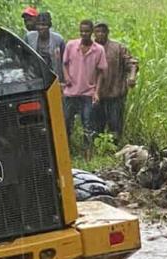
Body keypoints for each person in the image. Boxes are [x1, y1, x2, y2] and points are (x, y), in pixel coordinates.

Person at [63, 20, 108, 160]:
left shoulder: (98, 49)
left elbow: (101, 72)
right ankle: (66, 151)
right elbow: (64, 64)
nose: (84, 34)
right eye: (81, 31)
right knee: (66, 122)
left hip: (87, 93)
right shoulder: (71, 45)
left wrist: (97, 92)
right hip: (70, 92)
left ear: (92, 32)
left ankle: (87, 154)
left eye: (87, 31)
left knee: (87, 124)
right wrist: (67, 77)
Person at [93, 22, 138, 143]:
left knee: (115, 125)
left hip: (115, 93)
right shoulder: (90, 48)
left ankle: (114, 149)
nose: (100, 34)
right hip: (97, 94)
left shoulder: (118, 48)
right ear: (94, 33)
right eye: (98, 31)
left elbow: (132, 63)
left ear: (107, 32)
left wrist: (132, 77)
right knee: (97, 126)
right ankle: (99, 150)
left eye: (103, 31)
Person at [25, 13, 65, 82]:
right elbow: (25, 57)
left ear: (49, 26)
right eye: (38, 24)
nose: (40, 27)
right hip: (35, 77)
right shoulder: (29, 37)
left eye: (43, 25)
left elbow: (64, 61)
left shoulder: (58, 40)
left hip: (53, 77)